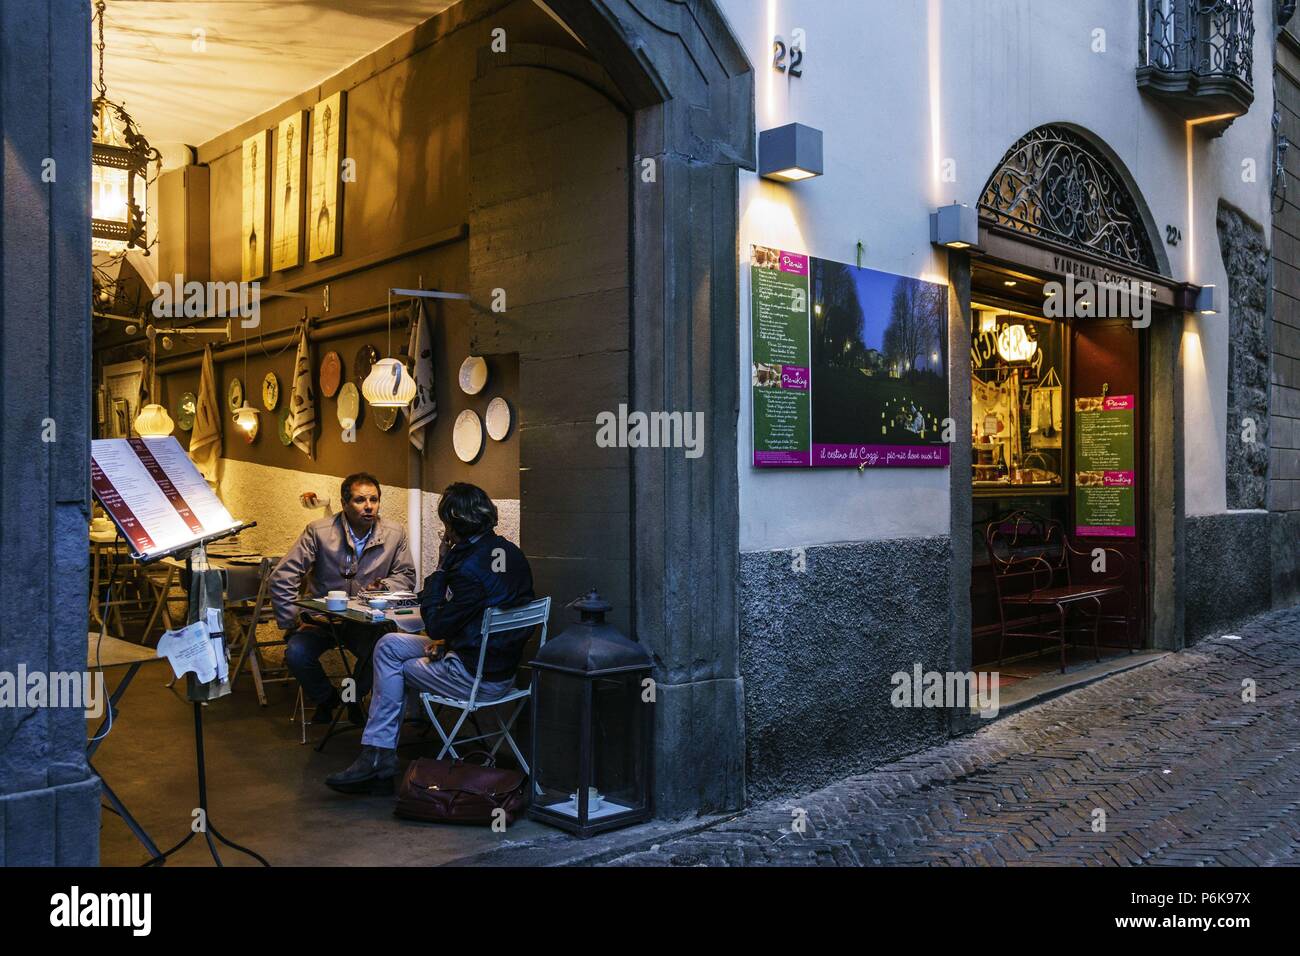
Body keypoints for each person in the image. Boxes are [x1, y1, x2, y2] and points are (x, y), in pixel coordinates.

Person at [325, 482, 534, 793]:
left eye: (445, 524)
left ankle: (377, 757)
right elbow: (474, 609)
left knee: (394, 666)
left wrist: (440, 566)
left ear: (453, 524)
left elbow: (435, 625)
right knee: (389, 644)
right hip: (494, 663)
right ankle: (379, 754)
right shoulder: (509, 552)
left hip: (475, 677)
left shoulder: (465, 568)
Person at [270, 473, 415, 726]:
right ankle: (327, 699)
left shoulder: (394, 533)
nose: (369, 506)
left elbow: (406, 576)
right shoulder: (320, 532)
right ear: (344, 503)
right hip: (322, 620)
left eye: (374, 500)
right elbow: (282, 576)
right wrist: (294, 621)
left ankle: (353, 698)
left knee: (382, 651)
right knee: (296, 653)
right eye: (360, 500)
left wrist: (383, 585)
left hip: (364, 621)